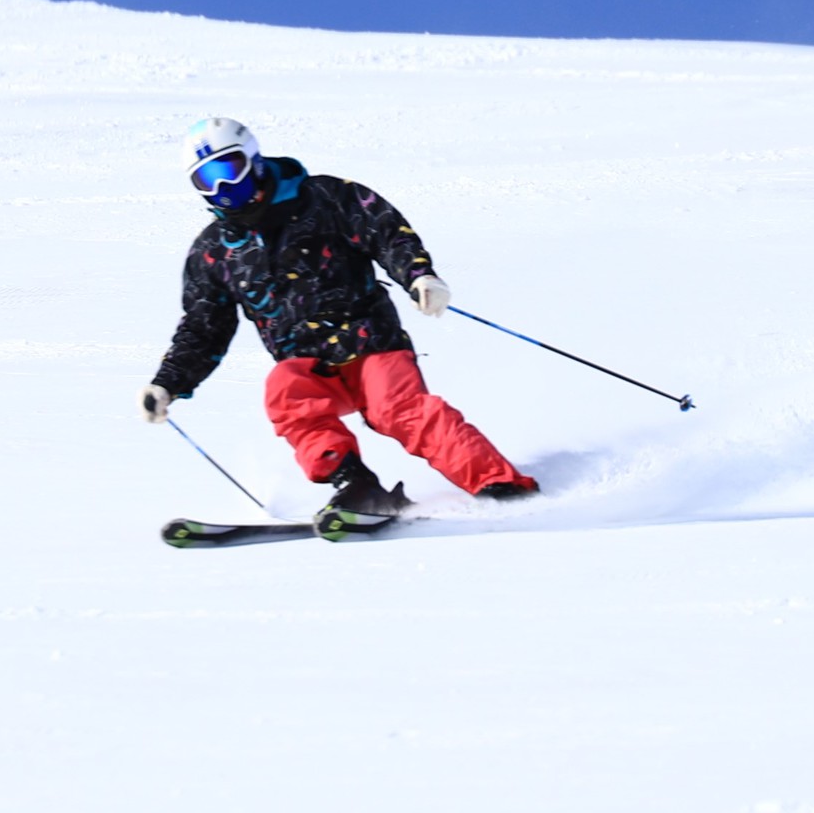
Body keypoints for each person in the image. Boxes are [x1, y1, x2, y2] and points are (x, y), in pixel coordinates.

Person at [139, 117, 538, 522]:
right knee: (286, 393)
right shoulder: (215, 252)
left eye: (229, 171)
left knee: (396, 409)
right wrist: (169, 382)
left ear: (255, 160)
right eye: (206, 181)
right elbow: (204, 327)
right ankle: (355, 485)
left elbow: (385, 231)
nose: (223, 189)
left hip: (371, 342)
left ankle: (499, 484)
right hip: (307, 364)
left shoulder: (322, 199)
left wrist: (418, 275)